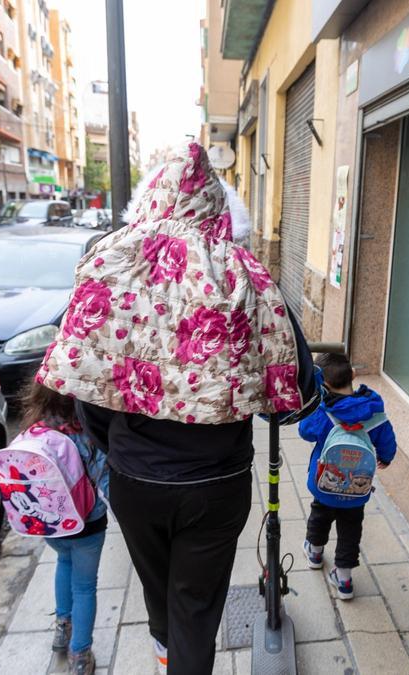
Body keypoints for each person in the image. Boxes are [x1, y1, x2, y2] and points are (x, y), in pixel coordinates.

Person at [38, 143, 315, 675]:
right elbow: (295, 388)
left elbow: (86, 388)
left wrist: (118, 443)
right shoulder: (249, 277)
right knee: (197, 604)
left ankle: (165, 654)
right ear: (218, 208)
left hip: (135, 478)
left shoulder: (111, 268)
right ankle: (182, 660)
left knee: (156, 585)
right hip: (217, 480)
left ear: (150, 202)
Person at [18, 381, 110, 675]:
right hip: (87, 524)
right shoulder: (87, 435)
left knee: (63, 562)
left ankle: (62, 627)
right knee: (85, 586)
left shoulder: (34, 430)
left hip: (49, 524)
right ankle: (80, 654)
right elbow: (106, 481)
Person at [300, 352, 397, 600]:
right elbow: (387, 440)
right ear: (353, 375)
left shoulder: (323, 412)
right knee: (351, 529)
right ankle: (343, 579)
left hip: (324, 483)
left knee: (319, 515)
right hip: (357, 487)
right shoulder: (372, 410)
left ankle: (315, 552)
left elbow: (305, 431)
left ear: (323, 385)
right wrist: (385, 458)